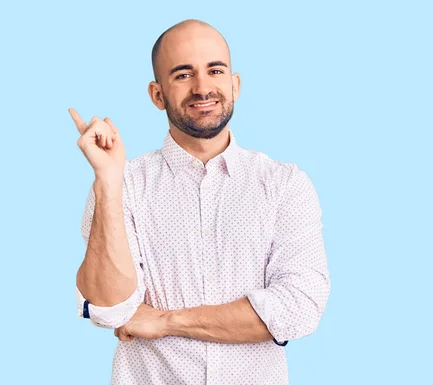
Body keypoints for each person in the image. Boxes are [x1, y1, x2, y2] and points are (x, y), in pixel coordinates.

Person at [70, 19, 330, 385]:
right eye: (182, 74)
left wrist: (164, 321)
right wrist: (108, 183)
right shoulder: (121, 185)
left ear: (235, 85)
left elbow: (298, 308)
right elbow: (112, 309)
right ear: (157, 95)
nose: (203, 87)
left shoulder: (285, 184)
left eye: (215, 70)